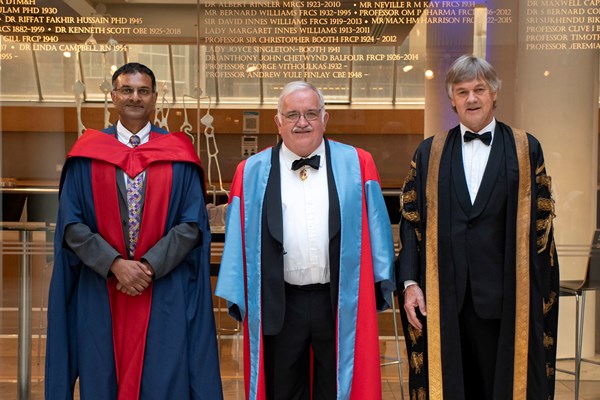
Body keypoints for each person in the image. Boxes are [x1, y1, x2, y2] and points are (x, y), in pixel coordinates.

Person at [45, 62, 223, 399]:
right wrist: (115, 264)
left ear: (155, 97)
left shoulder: (178, 153)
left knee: (164, 376)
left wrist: (148, 267)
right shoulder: (87, 153)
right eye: (127, 90)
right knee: (101, 375)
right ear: (113, 97)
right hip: (101, 289)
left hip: (163, 288)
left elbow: (192, 223)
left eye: (143, 91)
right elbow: (71, 223)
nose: (135, 98)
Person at [216, 81, 395, 400]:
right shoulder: (251, 171)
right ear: (278, 122)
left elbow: (377, 230)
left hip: (338, 301)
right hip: (280, 303)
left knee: (338, 388)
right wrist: (237, 292)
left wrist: (379, 285)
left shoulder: (357, 163)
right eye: (293, 114)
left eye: (311, 113)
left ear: (325, 119)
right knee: (282, 389)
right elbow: (236, 243)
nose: (302, 122)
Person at [396, 54, 560, 400]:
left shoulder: (525, 148)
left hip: (505, 298)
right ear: (452, 100)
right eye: (462, 91)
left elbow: (542, 226)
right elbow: (411, 223)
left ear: (494, 94)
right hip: (442, 299)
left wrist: (536, 289)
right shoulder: (430, 153)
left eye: (479, 89)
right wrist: (410, 283)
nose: (471, 98)